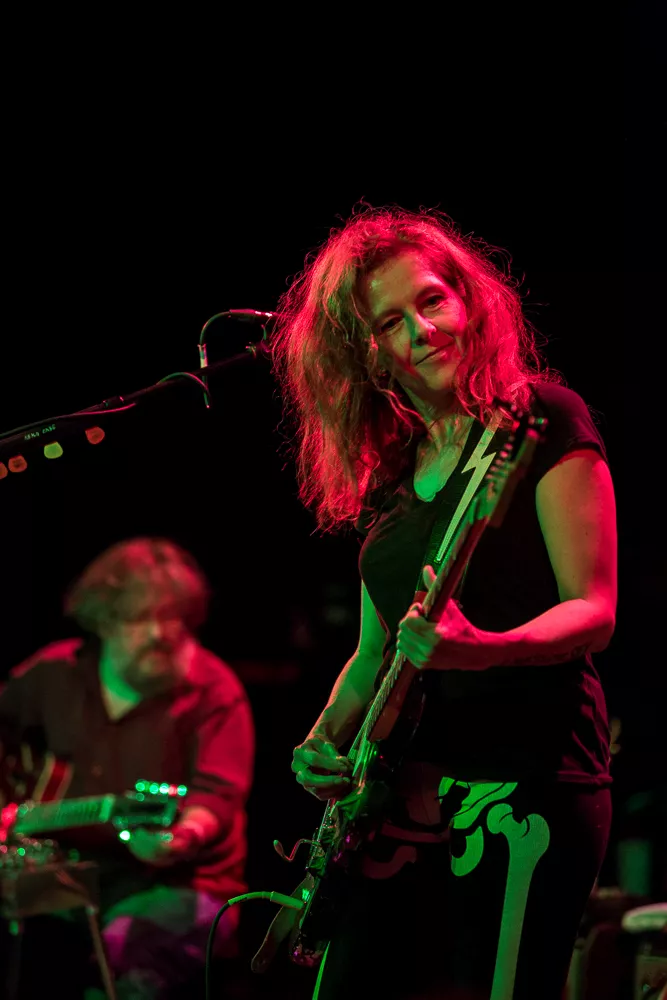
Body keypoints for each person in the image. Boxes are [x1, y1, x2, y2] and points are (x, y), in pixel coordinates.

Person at [264, 206, 618, 999]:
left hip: (524, 784)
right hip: (397, 802)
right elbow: (373, 654)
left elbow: (592, 610)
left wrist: (479, 650)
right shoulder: (389, 474)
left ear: (467, 300)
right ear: (364, 352)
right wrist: (322, 740)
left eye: (431, 300)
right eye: (390, 322)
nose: (421, 330)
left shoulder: (542, 418)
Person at [0, 537, 255, 999]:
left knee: (128, 957)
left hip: (179, 882)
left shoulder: (214, 690)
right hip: (67, 869)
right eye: (140, 618)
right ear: (104, 621)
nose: (160, 633)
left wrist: (183, 835)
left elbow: (217, 795)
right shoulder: (52, 674)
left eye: (172, 617)